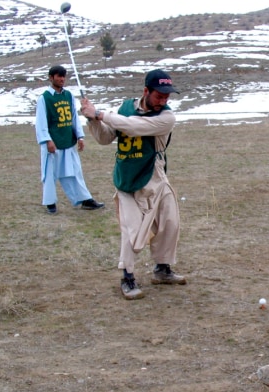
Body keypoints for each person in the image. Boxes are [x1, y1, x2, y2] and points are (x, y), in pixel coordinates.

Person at [80, 69, 186, 300]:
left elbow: (134, 127)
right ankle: (127, 277)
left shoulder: (167, 117)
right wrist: (91, 118)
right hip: (128, 177)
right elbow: (106, 137)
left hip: (155, 177)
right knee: (132, 230)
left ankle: (162, 269)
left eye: (167, 97)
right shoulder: (125, 108)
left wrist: (99, 113)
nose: (163, 101)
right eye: (159, 95)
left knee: (170, 222)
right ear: (146, 91)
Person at [35, 65, 104, 214]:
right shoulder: (44, 98)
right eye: (58, 76)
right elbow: (41, 122)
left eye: (63, 76)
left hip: (68, 140)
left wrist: (80, 136)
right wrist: (47, 140)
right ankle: (50, 202)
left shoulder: (69, 96)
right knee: (50, 174)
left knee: (76, 172)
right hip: (53, 142)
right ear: (51, 77)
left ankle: (85, 199)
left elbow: (74, 118)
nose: (61, 79)